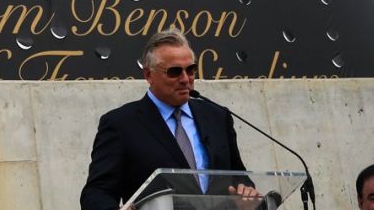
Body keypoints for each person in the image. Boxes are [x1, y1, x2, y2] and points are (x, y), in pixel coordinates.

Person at [80, 27, 257, 209]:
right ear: (149, 75)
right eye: (174, 72)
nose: (185, 79)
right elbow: (97, 192)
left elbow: (239, 177)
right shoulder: (121, 124)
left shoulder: (218, 116)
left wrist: (247, 191)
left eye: (191, 70)